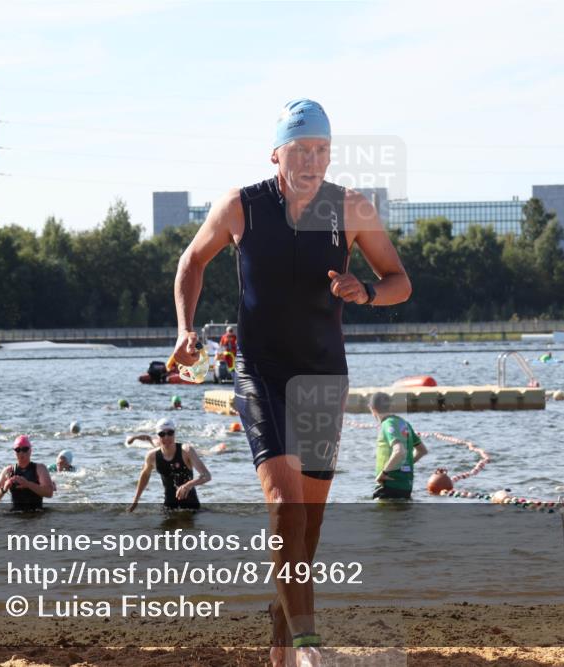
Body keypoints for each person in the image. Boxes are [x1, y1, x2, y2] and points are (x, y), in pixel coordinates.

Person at [170, 98, 411, 666]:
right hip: (261, 374)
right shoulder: (241, 207)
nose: (311, 161)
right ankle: (308, 647)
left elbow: (400, 281)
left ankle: (280, 647)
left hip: (324, 377)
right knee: (284, 506)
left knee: (309, 526)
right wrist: (184, 330)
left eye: (322, 150)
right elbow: (191, 262)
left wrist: (368, 291)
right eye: (300, 149)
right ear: (276, 152)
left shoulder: (351, 209)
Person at [127, 418, 211, 511]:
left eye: (170, 433)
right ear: (158, 436)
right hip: (169, 507)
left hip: (191, 507)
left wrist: (188, 485)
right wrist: (135, 500)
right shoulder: (152, 456)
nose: (166, 437)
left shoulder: (186, 451)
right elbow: (145, 475)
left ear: (175, 433)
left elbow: (207, 476)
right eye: (162, 434)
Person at [369, 392, 427, 500]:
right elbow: (422, 451)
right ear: (390, 406)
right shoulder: (404, 424)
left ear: (373, 409)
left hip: (388, 486)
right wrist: (404, 464)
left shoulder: (387, 424)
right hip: (406, 486)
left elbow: (399, 451)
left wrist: (384, 472)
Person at [0, 435, 53, 510]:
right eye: (18, 450)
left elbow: (49, 493)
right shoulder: (9, 471)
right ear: (14, 452)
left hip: (36, 515)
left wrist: (28, 484)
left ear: (30, 450)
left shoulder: (40, 468)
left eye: (25, 449)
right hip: (16, 515)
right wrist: (4, 489)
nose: (21, 453)